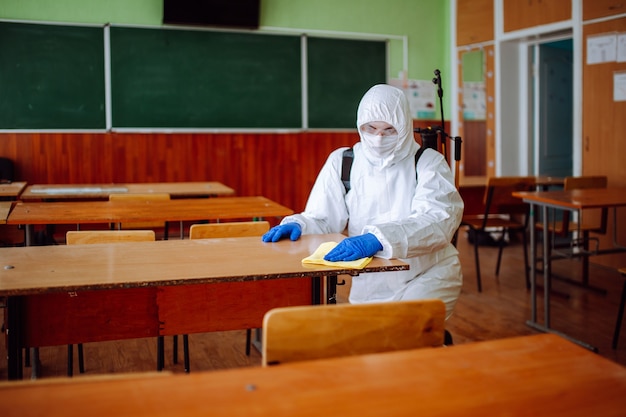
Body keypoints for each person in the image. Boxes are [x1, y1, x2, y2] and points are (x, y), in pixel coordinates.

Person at [262, 84, 463, 318]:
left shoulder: (428, 162)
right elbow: (323, 218)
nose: (378, 138)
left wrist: (377, 239)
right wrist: (300, 224)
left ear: (405, 127)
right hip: (370, 283)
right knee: (369, 346)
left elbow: (438, 221)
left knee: (407, 339)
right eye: (371, 128)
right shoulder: (343, 161)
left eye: (389, 130)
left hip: (427, 275)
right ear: (360, 125)